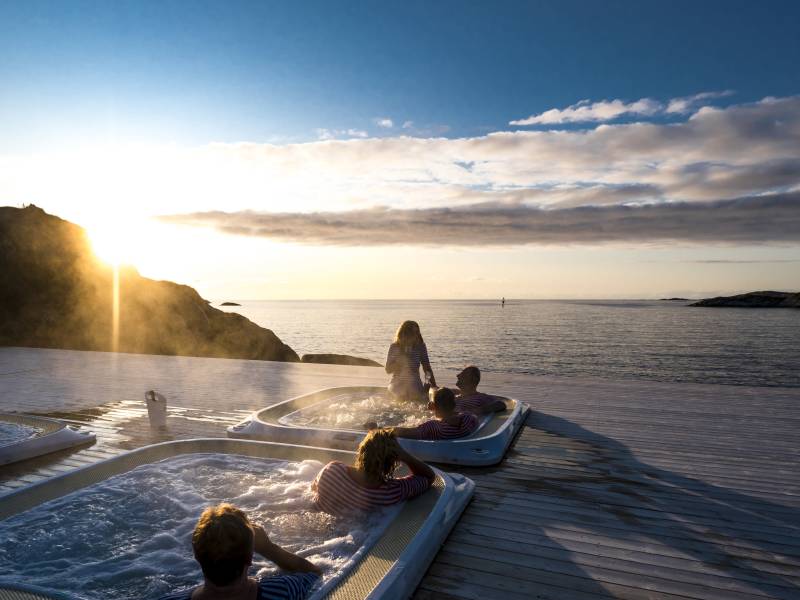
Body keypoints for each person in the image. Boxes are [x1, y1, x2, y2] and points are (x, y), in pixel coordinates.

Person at [159, 503, 320, 600]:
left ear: (196, 556)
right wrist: (269, 549)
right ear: (250, 558)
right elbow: (314, 573)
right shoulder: (283, 591)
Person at [312, 428, 435, 517]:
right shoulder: (390, 493)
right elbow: (429, 476)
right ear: (392, 462)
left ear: (361, 451)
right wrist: (404, 455)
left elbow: (313, 488)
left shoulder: (332, 470)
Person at [392, 387, 479, 440]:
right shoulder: (467, 419)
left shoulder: (435, 428)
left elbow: (404, 433)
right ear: (454, 405)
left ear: (433, 406)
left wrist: (381, 429)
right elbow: (471, 417)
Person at [385, 320, 437, 402]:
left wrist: (434, 386)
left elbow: (427, 368)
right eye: (413, 333)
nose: (415, 335)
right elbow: (388, 369)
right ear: (404, 334)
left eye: (417, 333)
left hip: (415, 385)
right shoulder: (394, 347)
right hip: (396, 385)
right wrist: (399, 362)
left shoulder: (420, 347)